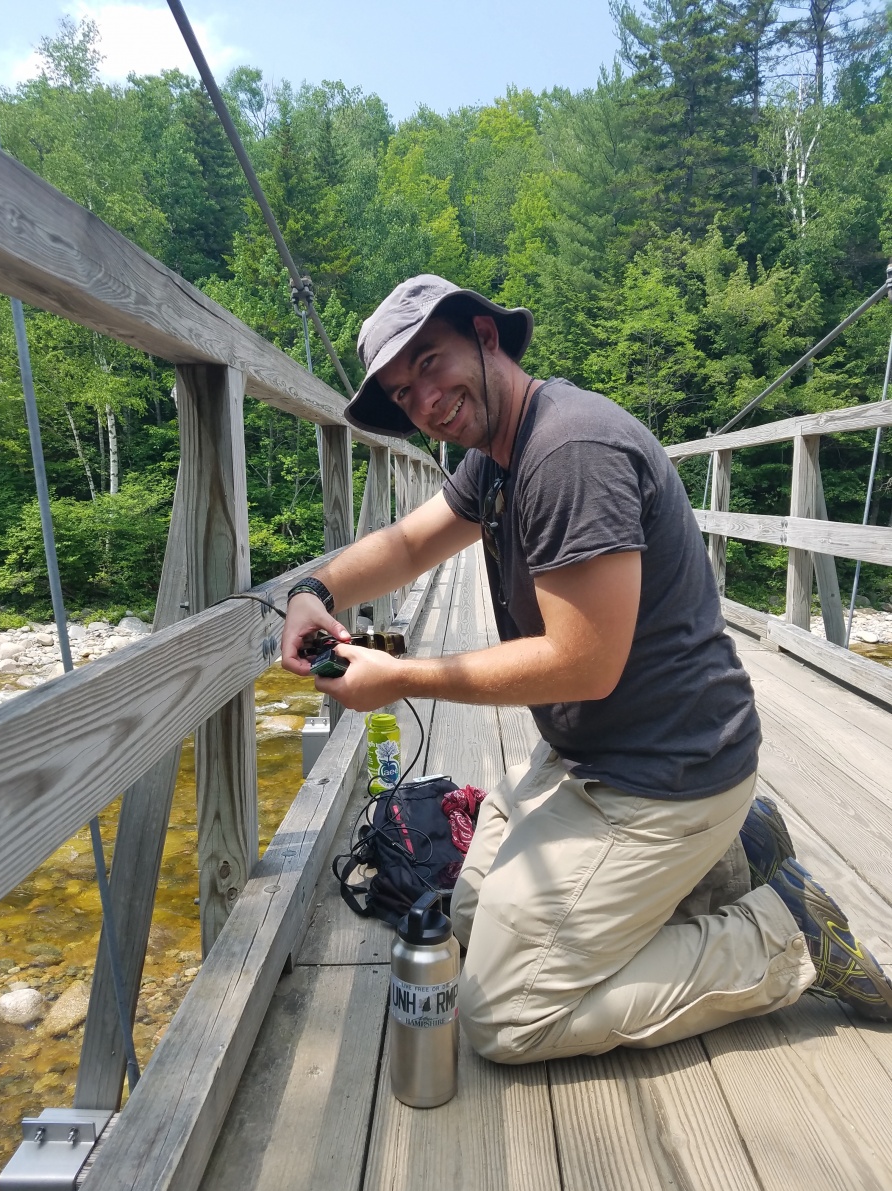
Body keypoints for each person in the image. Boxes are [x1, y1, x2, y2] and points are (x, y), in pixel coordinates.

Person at [281, 274, 892, 1062]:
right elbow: (407, 545)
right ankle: (731, 854)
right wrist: (314, 588)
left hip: (665, 770)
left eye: (430, 363)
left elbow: (583, 665)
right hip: (592, 757)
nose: (424, 401)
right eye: (402, 394)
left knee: (503, 1014)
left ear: (485, 336)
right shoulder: (499, 454)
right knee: (464, 923)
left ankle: (783, 936)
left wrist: (399, 678)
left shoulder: (570, 451)